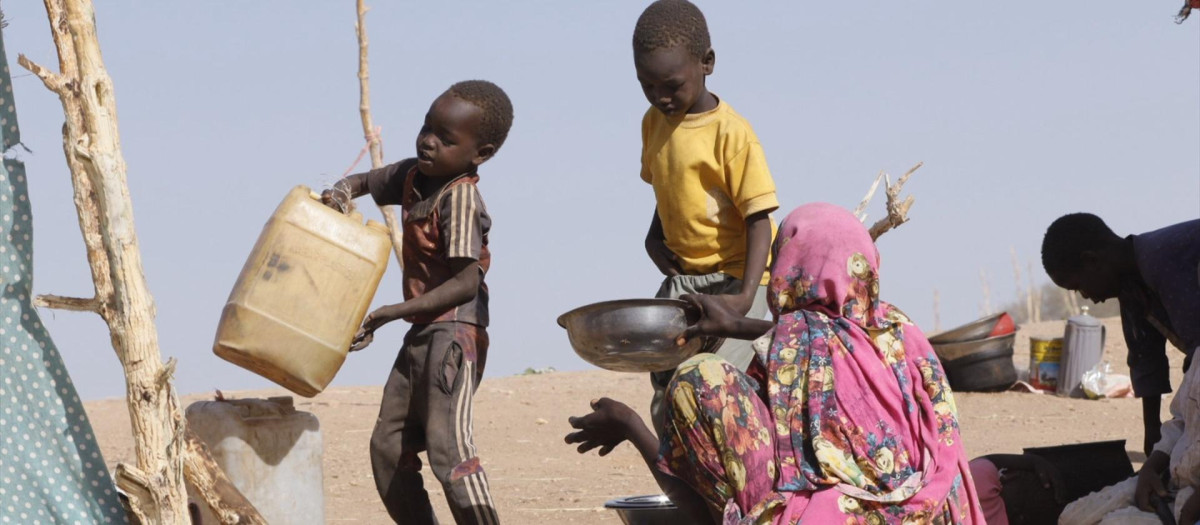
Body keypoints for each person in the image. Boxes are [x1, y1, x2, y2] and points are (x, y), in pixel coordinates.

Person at [566, 203, 984, 523]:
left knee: (701, 378)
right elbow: (826, 344)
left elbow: (699, 508)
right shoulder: (902, 338)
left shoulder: (786, 366)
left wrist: (632, 426)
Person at [321, 80, 512, 524]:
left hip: (455, 333)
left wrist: (393, 313)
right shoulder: (414, 176)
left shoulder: (460, 197)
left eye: (446, 139)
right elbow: (365, 180)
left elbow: (466, 283)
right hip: (422, 330)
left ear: (478, 153)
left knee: (450, 449)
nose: (429, 141)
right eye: (428, 127)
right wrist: (340, 194)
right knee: (389, 446)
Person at [631, 0, 781, 436]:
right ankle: (686, 485)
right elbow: (669, 185)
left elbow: (759, 218)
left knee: (715, 388)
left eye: (672, 85)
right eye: (646, 85)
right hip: (687, 284)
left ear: (707, 63)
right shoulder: (653, 123)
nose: (661, 96)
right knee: (666, 388)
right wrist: (653, 237)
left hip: (738, 281)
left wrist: (743, 297)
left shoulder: (731, 133)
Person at [1041, 214, 1200, 456]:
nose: (1086, 297)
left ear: (1091, 261)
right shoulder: (1131, 288)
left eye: (1079, 287)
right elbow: (1146, 357)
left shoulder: (1162, 261)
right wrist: (1153, 432)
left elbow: (1198, 350)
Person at [1058, 345, 1200, 525]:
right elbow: (1180, 421)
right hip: (1172, 484)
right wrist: (1150, 468)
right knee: (1071, 517)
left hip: (1192, 501)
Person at [968, 454, 1067, 525]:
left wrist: (1032, 461)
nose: (1009, 475)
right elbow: (986, 462)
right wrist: (1033, 461)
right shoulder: (981, 477)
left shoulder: (980, 479)